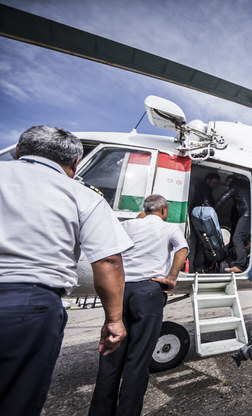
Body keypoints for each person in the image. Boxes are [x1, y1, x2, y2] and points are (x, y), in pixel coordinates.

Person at [0, 125, 132, 416]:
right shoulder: (82, 195)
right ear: (75, 165)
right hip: (28, 306)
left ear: (19, 152)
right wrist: (114, 319)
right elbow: (109, 261)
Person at [89, 194, 189, 416]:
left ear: (145, 210)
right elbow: (182, 249)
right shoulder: (170, 228)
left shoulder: (128, 225)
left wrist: (142, 215)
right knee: (138, 360)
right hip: (148, 292)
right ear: (164, 209)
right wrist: (172, 278)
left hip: (120, 291)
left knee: (110, 357)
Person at [214, 175, 251, 273]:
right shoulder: (245, 185)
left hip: (246, 215)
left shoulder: (235, 185)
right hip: (248, 215)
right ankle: (242, 259)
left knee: (237, 238)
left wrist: (213, 209)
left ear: (230, 180)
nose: (227, 185)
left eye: (227, 183)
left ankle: (241, 265)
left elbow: (223, 198)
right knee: (240, 238)